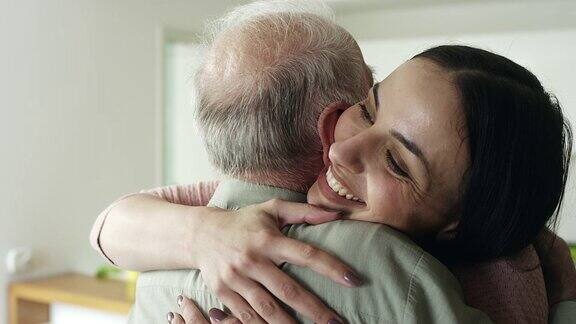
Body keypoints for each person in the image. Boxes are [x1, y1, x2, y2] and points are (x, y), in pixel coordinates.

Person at [90, 1, 576, 323]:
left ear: (460, 220)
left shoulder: (493, 281)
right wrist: (203, 235)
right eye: (366, 107)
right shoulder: (248, 218)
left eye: (399, 163)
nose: (340, 149)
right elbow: (109, 225)